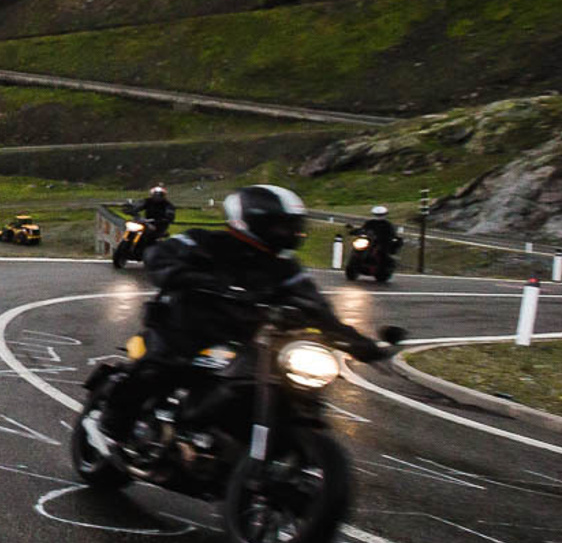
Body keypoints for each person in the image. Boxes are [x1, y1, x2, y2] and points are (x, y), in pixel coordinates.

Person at [86, 184, 389, 456]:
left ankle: (236, 443)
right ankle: (111, 427)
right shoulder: (205, 242)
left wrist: (365, 347)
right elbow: (160, 256)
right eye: (281, 226)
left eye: (292, 226)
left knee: (280, 383)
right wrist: (186, 276)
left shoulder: (286, 268)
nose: (289, 233)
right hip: (183, 328)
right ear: (255, 222)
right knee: (158, 369)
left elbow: (317, 308)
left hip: (242, 339)